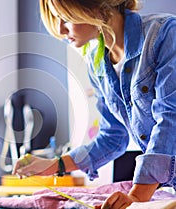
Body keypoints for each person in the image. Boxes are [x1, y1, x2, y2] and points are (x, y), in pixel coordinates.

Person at [12, 0, 176, 208]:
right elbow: (113, 137)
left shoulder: (165, 33)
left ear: (94, 7)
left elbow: (171, 118)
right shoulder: (97, 64)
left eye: (66, 18)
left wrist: (138, 195)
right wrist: (56, 165)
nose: (61, 30)